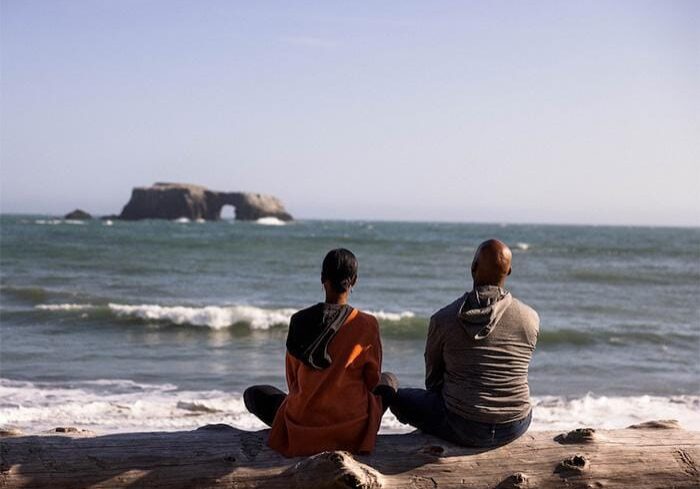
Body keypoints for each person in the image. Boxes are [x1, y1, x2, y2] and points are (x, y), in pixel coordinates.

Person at [244, 248, 397, 457]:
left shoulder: (299, 321)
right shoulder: (367, 324)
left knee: (253, 394)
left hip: (304, 428)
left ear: (322, 279)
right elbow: (371, 381)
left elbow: (293, 382)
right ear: (354, 281)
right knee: (389, 380)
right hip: (352, 429)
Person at [389, 239, 539, 447]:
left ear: (473, 267)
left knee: (395, 394)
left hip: (463, 425)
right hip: (515, 423)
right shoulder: (530, 318)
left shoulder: (443, 319)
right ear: (509, 271)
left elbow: (433, 382)